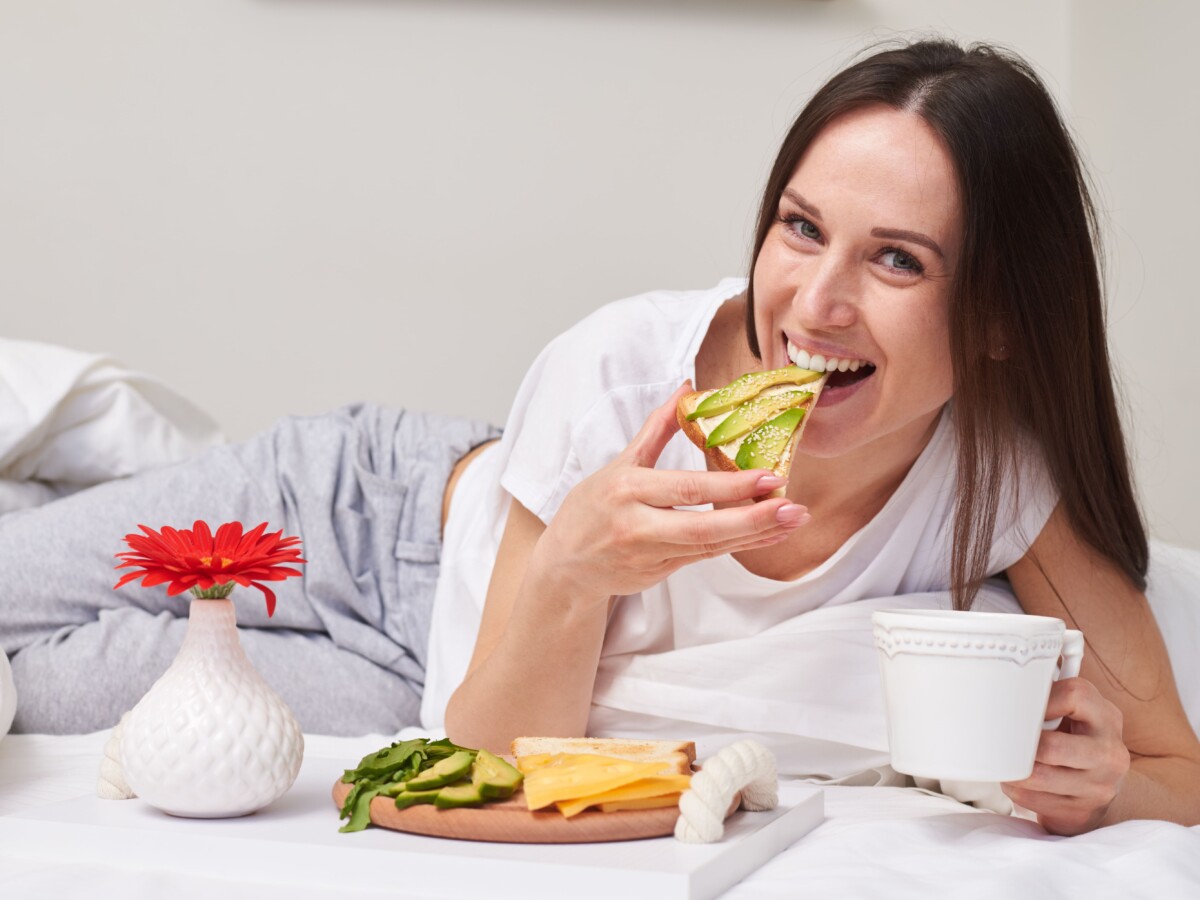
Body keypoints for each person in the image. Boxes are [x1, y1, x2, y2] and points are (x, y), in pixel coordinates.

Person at [1, 39, 1197, 838]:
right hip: (363, 514)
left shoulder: (998, 478)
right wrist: (575, 555)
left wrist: (1103, 792)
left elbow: (1176, 771)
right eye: (799, 227)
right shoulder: (621, 368)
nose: (816, 303)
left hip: (414, 675)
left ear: (995, 320)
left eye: (896, 259)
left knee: (39, 697)